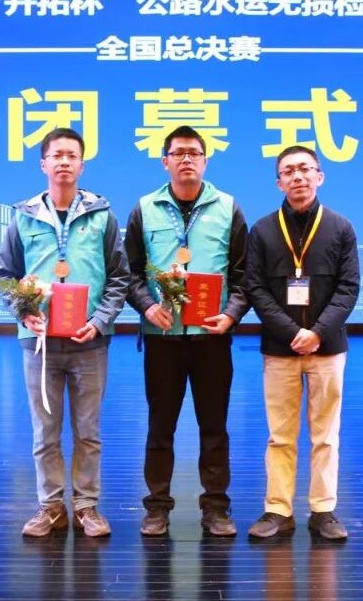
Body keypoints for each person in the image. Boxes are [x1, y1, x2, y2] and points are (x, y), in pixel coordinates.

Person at [0, 128, 130, 537]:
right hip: (39, 343)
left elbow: (119, 277)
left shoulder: (102, 215)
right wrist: (24, 312)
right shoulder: (24, 216)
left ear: (82, 165)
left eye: (72, 155)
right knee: (45, 432)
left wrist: (99, 321)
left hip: (90, 341)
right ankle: (51, 507)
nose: (65, 162)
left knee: (89, 432)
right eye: (57, 155)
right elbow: (5, 275)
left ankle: (87, 507)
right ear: (44, 164)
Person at [124, 125, 249, 537]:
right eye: (178, 153)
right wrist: (147, 306)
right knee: (161, 427)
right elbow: (130, 273)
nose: (186, 159)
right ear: (165, 161)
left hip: (212, 338)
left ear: (205, 160)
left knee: (214, 427)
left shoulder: (228, 207)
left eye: (194, 152)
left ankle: (216, 508)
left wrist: (231, 315)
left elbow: (244, 275)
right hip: (162, 338)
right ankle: (157, 507)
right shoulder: (145, 208)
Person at [243, 145, 360, 540]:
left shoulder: (340, 227)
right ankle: (278, 510)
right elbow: (255, 288)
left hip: (328, 348)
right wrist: (292, 332)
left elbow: (348, 288)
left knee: (325, 435)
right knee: (280, 436)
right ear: (278, 182)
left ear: (319, 176)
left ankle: (323, 510)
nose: (298, 177)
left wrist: (317, 332)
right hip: (280, 349)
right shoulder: (262, 230)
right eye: (289, 171)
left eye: (306, 169)